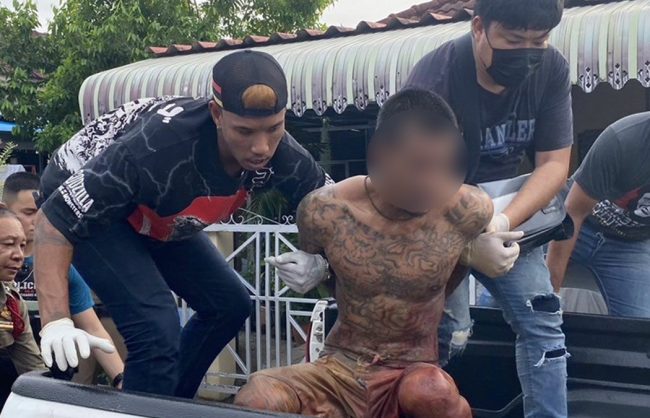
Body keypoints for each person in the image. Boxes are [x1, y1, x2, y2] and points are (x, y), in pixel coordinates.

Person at [271, 1, 573, 416]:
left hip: (505, 208)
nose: (527, 52)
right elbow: (406, 177)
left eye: (538, 41)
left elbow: (554, 163)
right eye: (513, 39)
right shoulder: (435, 78)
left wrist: (499, 222)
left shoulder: (551, 69)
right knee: (445, 333)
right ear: (479, 28)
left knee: (542, 320)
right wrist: (459, 248)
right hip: (431, 211)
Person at [34, 50, 332, 398]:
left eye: (274, 128)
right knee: (156, 327)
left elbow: (337, 208)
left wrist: (321, 261)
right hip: (91, 204)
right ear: (217, 114)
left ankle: (170, 400)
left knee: (228, 304)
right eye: (244, 131)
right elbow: (51, 222)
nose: (261, 147)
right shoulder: (156, 147)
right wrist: (55, 320)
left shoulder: (286, 156)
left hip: (155, 212)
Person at [236, 89, 495, 418]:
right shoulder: (325, 210)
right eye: (418, 166)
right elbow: (330, 278)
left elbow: (451, 278)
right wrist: (319, 269)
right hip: (340, 368)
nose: (431, 182)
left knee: (432, 393)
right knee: (260, 395)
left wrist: (482, 252)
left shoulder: (468, 210)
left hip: (410, 369)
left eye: (442, 166)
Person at [3, 172, 125, 388]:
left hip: (38, 372)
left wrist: (120, 379)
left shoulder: (60, 270)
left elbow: (92, 327)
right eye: (29, 212)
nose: (38, 220)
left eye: (43, 212)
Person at [547, 112, 650, 318]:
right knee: (516, 288)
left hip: (629, 245)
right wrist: (549, 296)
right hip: (575, 225)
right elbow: (573, 214)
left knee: (641, 325)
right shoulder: (623, 138)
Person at [0, 208, 45, 378]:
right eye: (8, 244)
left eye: (22, 246)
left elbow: (33, 368)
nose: (19, 255)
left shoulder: (11, 303)